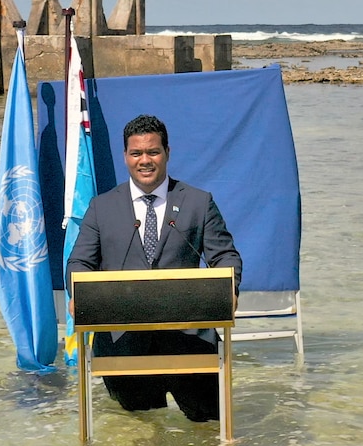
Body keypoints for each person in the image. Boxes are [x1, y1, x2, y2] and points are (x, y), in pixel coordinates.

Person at [66, 114, 242, 422]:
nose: (144, 160)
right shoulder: (101, 207)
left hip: (190, 342)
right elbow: (79, 262)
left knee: (209, 432)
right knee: (140, 437)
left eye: (153, 152)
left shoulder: (198, 203)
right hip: (124, 345)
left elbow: (226, 257)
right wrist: (78, 292)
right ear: (125, 157)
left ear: (167, 153)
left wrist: (229, 291)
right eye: (136, 153)